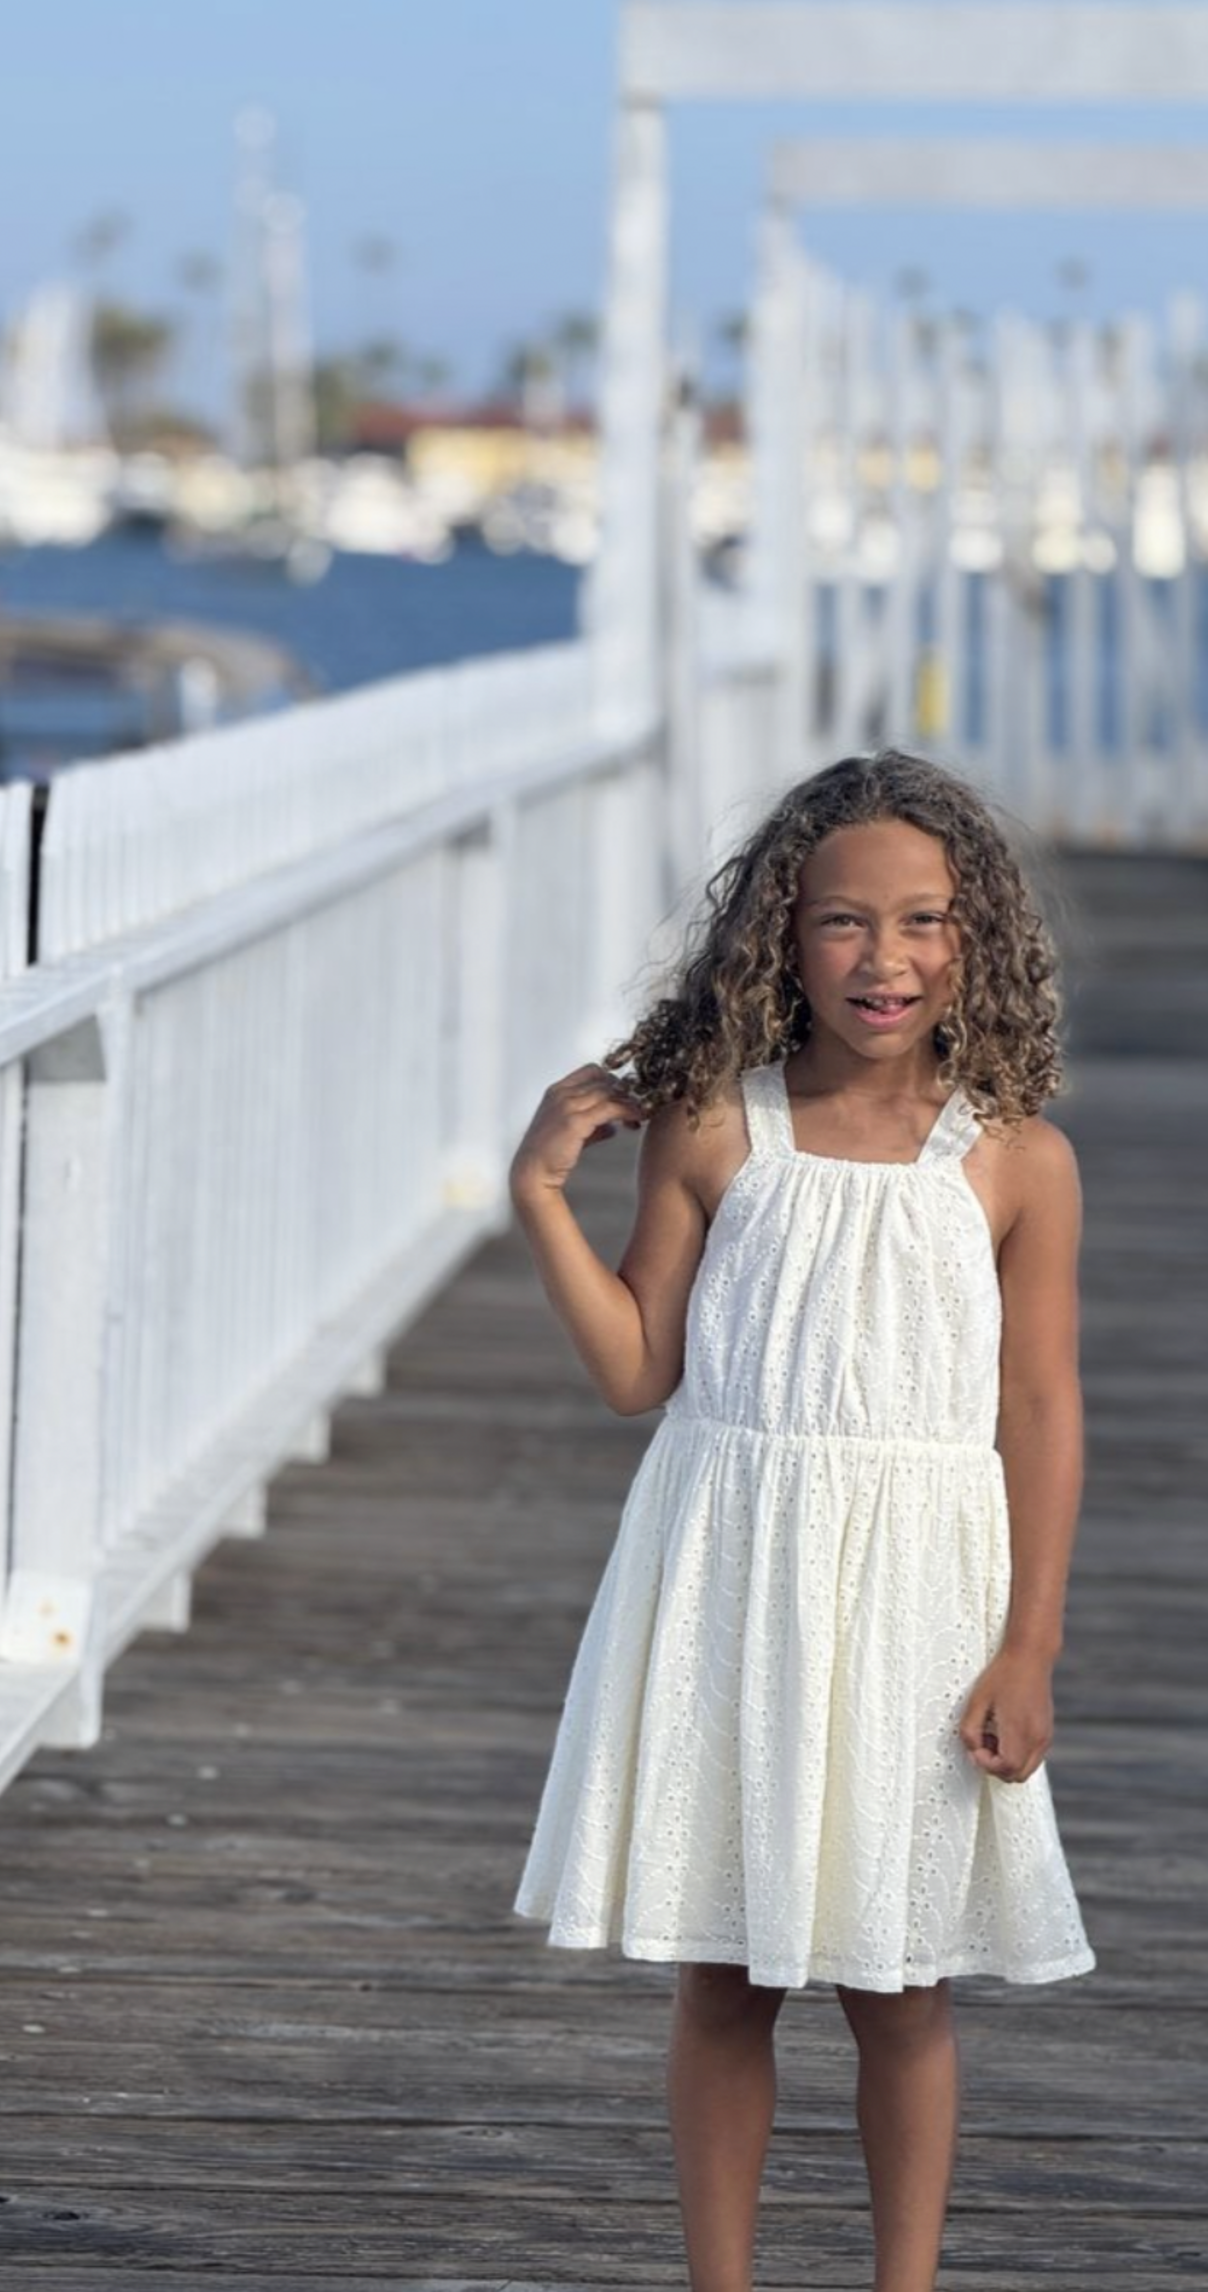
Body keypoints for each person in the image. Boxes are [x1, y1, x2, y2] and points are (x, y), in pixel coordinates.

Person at [507, 750, 1094, 2292]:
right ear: (781, 936)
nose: (882, 960)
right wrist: (540, 1200)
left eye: (922, 921)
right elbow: (641, 1370)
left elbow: (1038, 1407)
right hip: (733, 1581)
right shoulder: (717, 1129)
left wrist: (1027, 1643)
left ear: (977, 941)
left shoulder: (1018, 1160)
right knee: (723, 1972)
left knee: (900, 1984)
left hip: (920, 1599)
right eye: (841, 923)